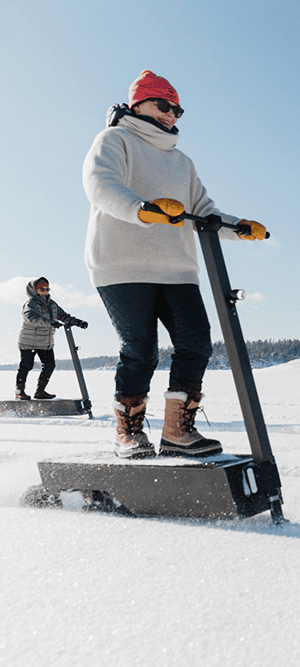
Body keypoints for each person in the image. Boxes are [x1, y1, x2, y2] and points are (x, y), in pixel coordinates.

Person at [82, 70, 267, 459]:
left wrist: (239, 227)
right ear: (138, 104)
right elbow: (100, 185)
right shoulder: (114, 140)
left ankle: (176, 431)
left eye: (177, 110)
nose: (171, 115)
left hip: (176, 267)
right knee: (141, 348)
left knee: (196, 342)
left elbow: (204, 212)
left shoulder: (182, 162)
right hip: (122, 263)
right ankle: (128, 433)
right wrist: (141, 209)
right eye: (163, 106)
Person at [16, 277, 88, 401]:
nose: (45, 291)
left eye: (47, 289)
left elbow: (63, 316)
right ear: (34, 290)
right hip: (29, 341)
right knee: (26, 365)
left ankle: (40, 391)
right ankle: (19, 391)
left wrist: (77, 322)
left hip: (45, 342)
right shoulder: (30, 304)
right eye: (41, 289)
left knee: (50, 365)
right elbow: (32, 317)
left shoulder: (52, 304)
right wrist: (50, 322)